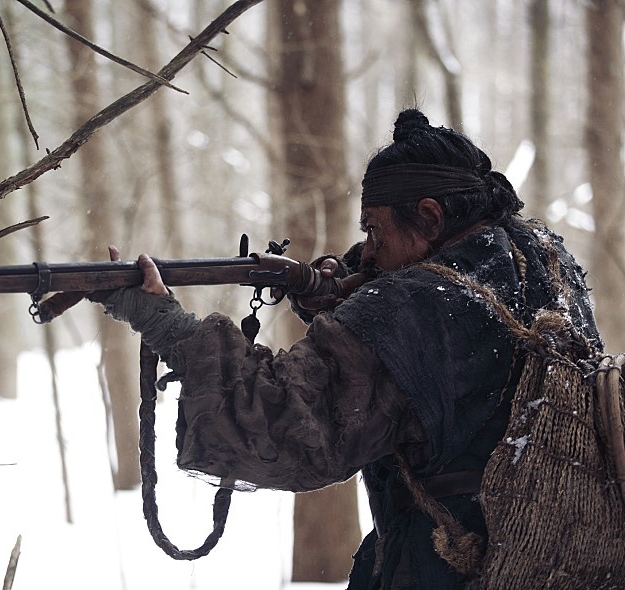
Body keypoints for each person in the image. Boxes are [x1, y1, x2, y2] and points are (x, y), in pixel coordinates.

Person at [90, 109, 602, 589]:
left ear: (429, 217)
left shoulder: (415, 307)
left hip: (453, 568)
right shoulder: (539, 260)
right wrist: (338, 299)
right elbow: (451, 361)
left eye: (375, 230)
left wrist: (161, 320)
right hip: (554, 560)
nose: (370, 253)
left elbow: (274, 425)